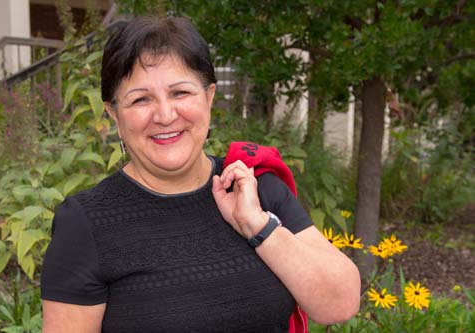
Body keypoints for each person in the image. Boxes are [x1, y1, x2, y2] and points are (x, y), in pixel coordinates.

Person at [41, 16, 361, 333]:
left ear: (208, 97)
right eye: (141, 99)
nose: (165, 115)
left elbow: (340, 304)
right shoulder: (88, 222)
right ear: (114, 114)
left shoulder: (255, 186)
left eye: (180, 93)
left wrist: (258, 227)